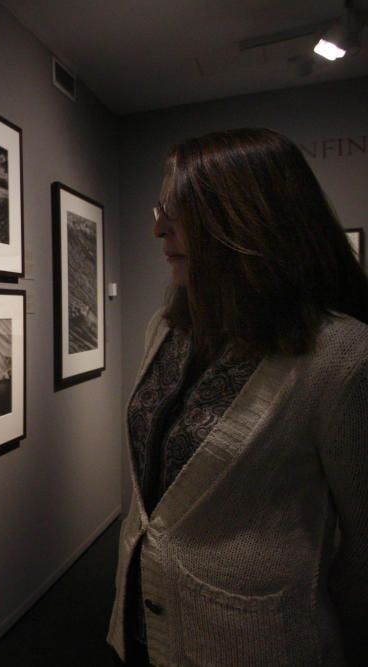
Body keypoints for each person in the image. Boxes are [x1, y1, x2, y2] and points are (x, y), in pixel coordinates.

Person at [107, 128, 368, 667]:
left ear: (246, 219)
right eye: (161, 207)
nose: (157, 228)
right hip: (140, 626)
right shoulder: (166, 328)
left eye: (179, 210)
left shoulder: (340, 356)